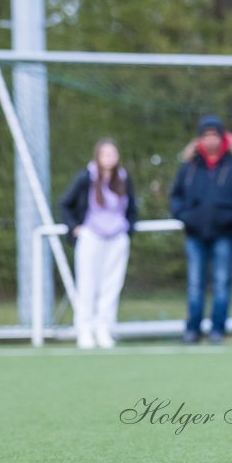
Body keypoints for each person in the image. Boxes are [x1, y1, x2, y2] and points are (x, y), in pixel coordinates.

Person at [169, 115, 232, 344]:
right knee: (195, 284)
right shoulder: (189, 165)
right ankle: (193, 330)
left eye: (214, 135)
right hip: (195, 234)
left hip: (224, 234)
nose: (210, 140)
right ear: (199, 138)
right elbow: (175, 197)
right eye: (206, 135)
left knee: (221, 283)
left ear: (222, 137)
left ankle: (218, 330)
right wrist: (186, 217)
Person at [59, 139, 137, 349]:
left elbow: (132, 209)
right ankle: (84, 330)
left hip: (117, 238)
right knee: (87, 284)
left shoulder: (123, 179)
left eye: (113, 153)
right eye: (105, 154)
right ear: (98, 156)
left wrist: (128, 229)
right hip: (91, 237)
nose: (110, 158)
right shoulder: (86, 178)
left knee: (111, 285)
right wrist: (75, 227)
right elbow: (65, 204)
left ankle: (104, 328)